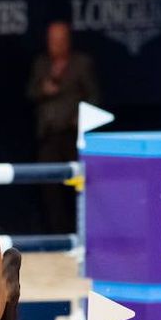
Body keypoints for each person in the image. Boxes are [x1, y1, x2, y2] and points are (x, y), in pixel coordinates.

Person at [27, 21, 100, 232]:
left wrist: (80, 118)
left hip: (73, 136)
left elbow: (95, 96)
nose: (55, 45)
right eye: (52, 40)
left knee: (79, 186)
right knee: (49, 187)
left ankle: (81, 231)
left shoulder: (82, 63)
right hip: (49, 136)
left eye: (60, 40)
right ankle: (57, 234)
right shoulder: (41, 64)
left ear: (68, 41)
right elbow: (30, 93)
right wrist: (43, 89)